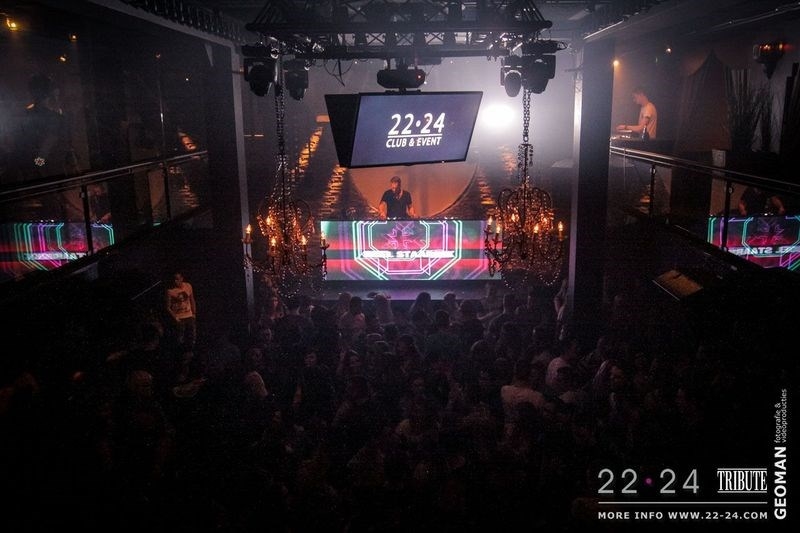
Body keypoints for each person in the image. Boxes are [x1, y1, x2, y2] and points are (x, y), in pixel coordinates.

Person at [165, 271, 196, 349]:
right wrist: (175, 318)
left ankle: (190, 350)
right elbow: (168, 307)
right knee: (180, 337)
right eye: (174, 279)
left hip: (189, 315)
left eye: (177, 279)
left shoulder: (188, 286)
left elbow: (192, 299)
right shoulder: (170, 291)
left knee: (191, 336)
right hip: (179, 317)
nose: (175, 281)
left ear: (182, 278)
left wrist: (194, 313)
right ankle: (180, 351)